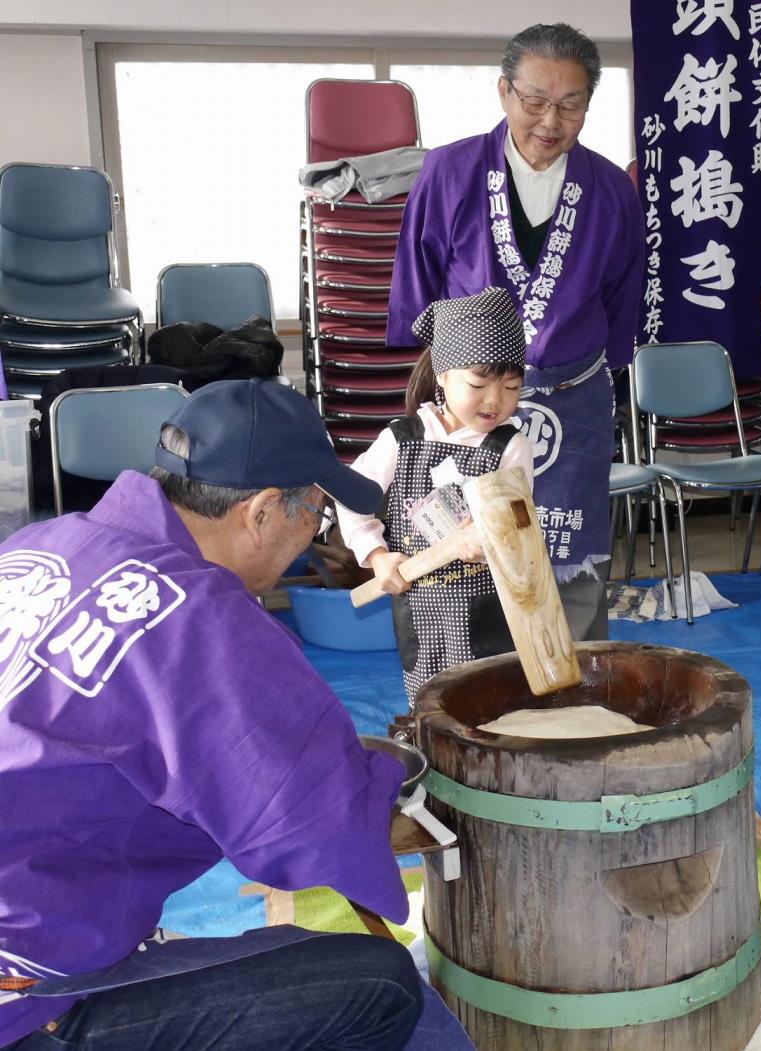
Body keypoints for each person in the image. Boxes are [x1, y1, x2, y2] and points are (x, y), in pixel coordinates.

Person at [0, 381, 424, 1048]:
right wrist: (402, 804)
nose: (314, 537)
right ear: (259, 512)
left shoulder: (42, 543)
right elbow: (312, 821)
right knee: (381, 983)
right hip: (23, 988)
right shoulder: (198, 614)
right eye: (315, 514)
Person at [389, 22, 645, 644]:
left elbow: (623, 296)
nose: (550, 121)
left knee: (570, 551)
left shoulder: (612, 188)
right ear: (504, 92)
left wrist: (600, 369)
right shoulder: (448, 171)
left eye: (570, 105)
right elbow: (418, 280)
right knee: (457, 547)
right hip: (468, 398)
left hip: (572, 394)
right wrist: (442, 379)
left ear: (588, 105)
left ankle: (574, 701)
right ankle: (465, 687)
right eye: (535, 101)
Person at [338, 288, 534, 705]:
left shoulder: (509, 447)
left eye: (512, 387)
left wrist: (491, 536)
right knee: (427, 696)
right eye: (479, 384)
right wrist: (377, 556)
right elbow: (351, 498)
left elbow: (518, 521)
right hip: (419, 604)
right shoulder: (401, 439)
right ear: (443, 376)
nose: (495, 401)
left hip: (486, 602)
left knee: (489, 696)